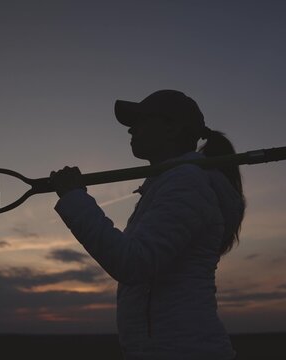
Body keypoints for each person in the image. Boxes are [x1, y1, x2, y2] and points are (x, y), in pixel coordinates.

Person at [49, 90, 245, 360]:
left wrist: (75, 199)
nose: (131, 129)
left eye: (141, 120)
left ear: (172, 128)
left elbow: (133, 262)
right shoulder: (169, 182)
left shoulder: (186, 183)